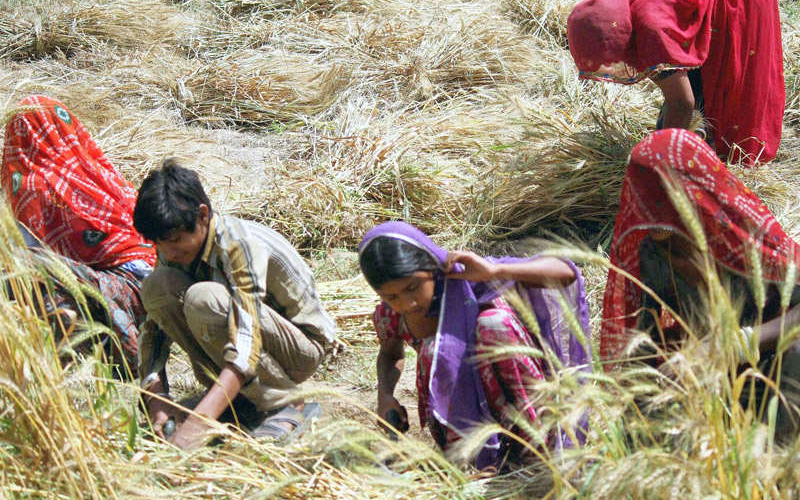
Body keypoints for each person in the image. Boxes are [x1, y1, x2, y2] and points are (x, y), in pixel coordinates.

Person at [601, 129, 800, 434]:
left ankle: (780, 464)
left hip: (773, 361)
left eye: (661, 198)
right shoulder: (653, 255)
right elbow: (643, 334)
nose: (649, 210)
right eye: (643, 197)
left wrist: (738, 343)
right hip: (713, 373)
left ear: (693, 191)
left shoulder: (743, 234)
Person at [133, 160, 337, 450]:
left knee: (205, 301)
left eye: (176, 240)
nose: (168, 252)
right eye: (159, 243)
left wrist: (197, 424)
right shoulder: (173, 250)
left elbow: (247, 336)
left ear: (203, 215)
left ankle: (285, 402)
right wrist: (156, 399)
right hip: (248, 343)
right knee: (156, 287)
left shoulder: (239, 244)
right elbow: (154, 331)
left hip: (299, 349)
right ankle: (240, 399)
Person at [359, 221, 591, 469]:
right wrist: (385, 396)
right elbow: (389, 354)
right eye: (391, 296)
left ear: (430, 266)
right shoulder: (391, 316)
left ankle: (537, 450)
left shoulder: (467, 278)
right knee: (434, 351)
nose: (408, 304)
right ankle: (476, 463)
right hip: (461, 417)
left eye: (413, 287)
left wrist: (495, 271)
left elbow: (565, 272)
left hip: (519, 400)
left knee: (492, 324)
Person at [567, 0, 784, 166]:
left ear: (614, 41)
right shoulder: (620, 7)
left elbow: (682, 103)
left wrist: (659, 165)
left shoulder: (652, 33)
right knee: (694, 83)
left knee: (728, 68)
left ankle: (727, 148)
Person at [1, 95, 156, 376]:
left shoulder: (35, 188)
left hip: (115, 293)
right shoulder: (96, 170)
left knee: (30, 273)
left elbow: (26, 255)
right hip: (160, 289)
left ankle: (81, 362)